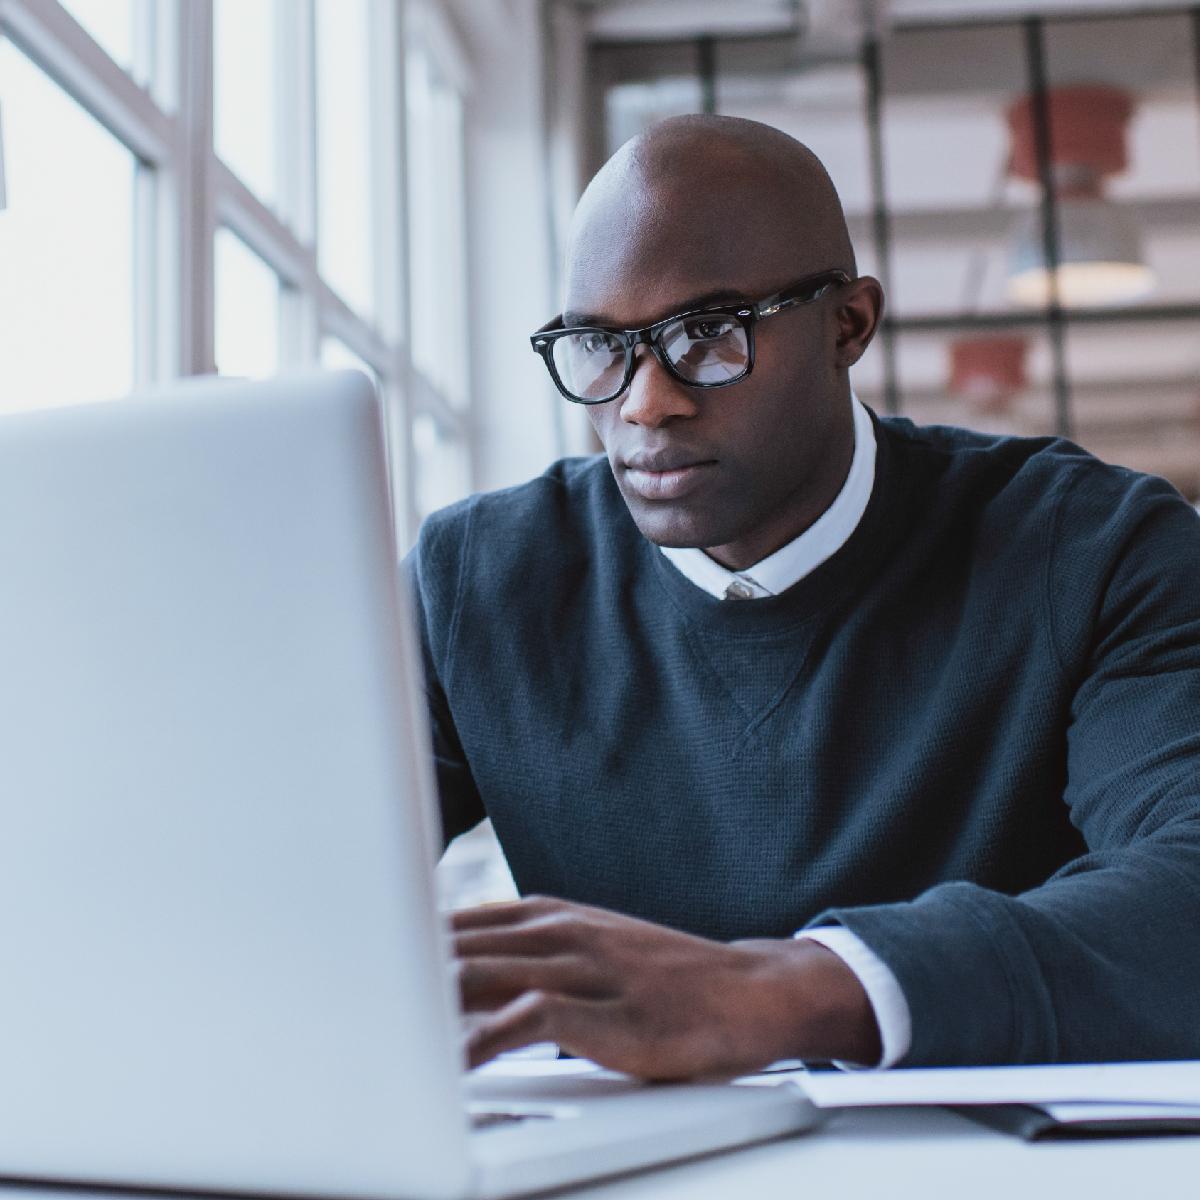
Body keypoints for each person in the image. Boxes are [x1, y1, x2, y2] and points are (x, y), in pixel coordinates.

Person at [405, 114, 1200, 1079]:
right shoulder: (477, 582)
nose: (644, 402)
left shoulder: (1094, 548)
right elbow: (275, 873)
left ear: (847, 327)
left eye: (707, 334)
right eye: (597, 345)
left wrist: (797, 993)